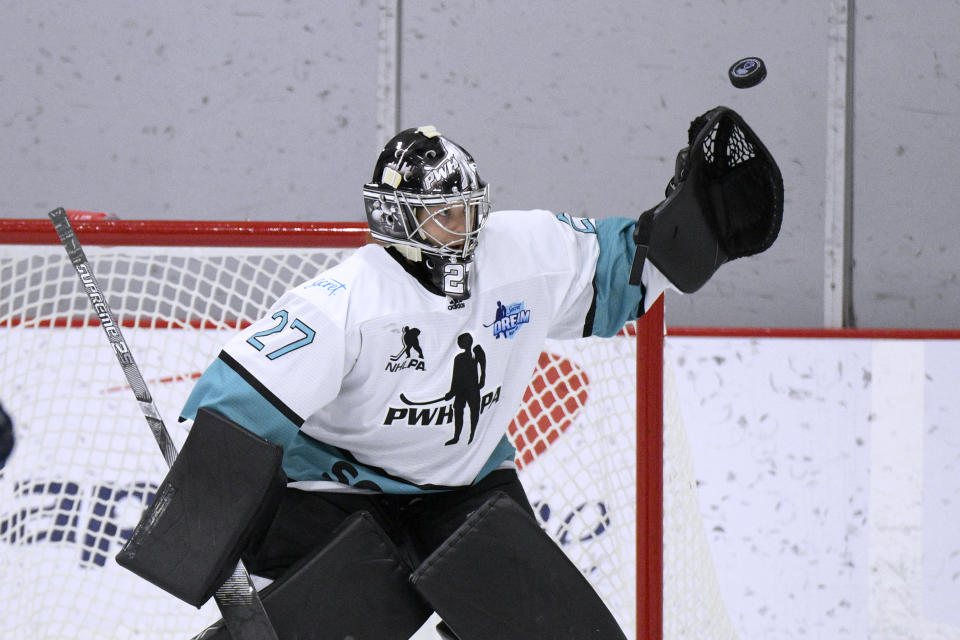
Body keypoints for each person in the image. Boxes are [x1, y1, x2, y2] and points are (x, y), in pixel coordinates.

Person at [176, 114, 782, 638]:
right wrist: (199, 541)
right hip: (336, 494)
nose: (462, 228)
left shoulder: (525, 250)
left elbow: (631, 271)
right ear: (394, 218)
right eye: (441, 215)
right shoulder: (343, 302)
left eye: (468, 209)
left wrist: (697, 215)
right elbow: (233, 410)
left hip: (463, 490)